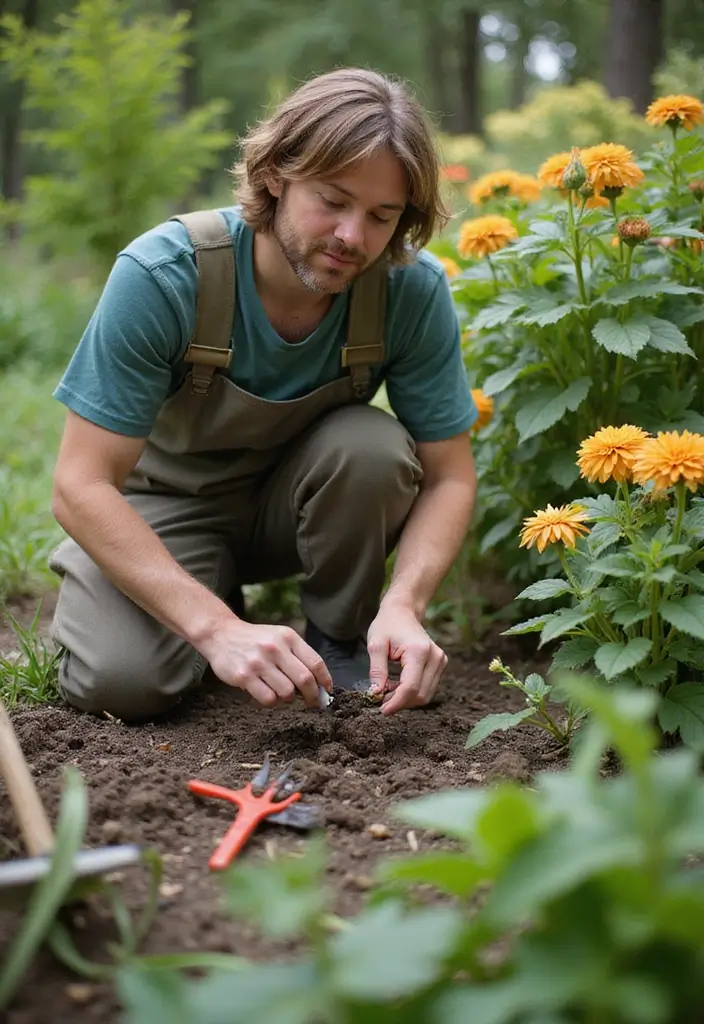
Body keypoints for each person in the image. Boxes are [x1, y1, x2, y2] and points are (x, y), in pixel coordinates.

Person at [48, 67, 478, 724]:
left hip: (298, 510)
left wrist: (405, 604)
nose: (352, 238)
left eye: (381, 216)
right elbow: (79, 485)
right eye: (332, 200)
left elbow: (449, 478)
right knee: (124, 682)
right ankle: (197, 599)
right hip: (168, 512)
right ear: (277, 173)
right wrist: (213, 628)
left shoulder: (409, 290)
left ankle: (337, 636)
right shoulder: (165, 274)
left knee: (373, 448)